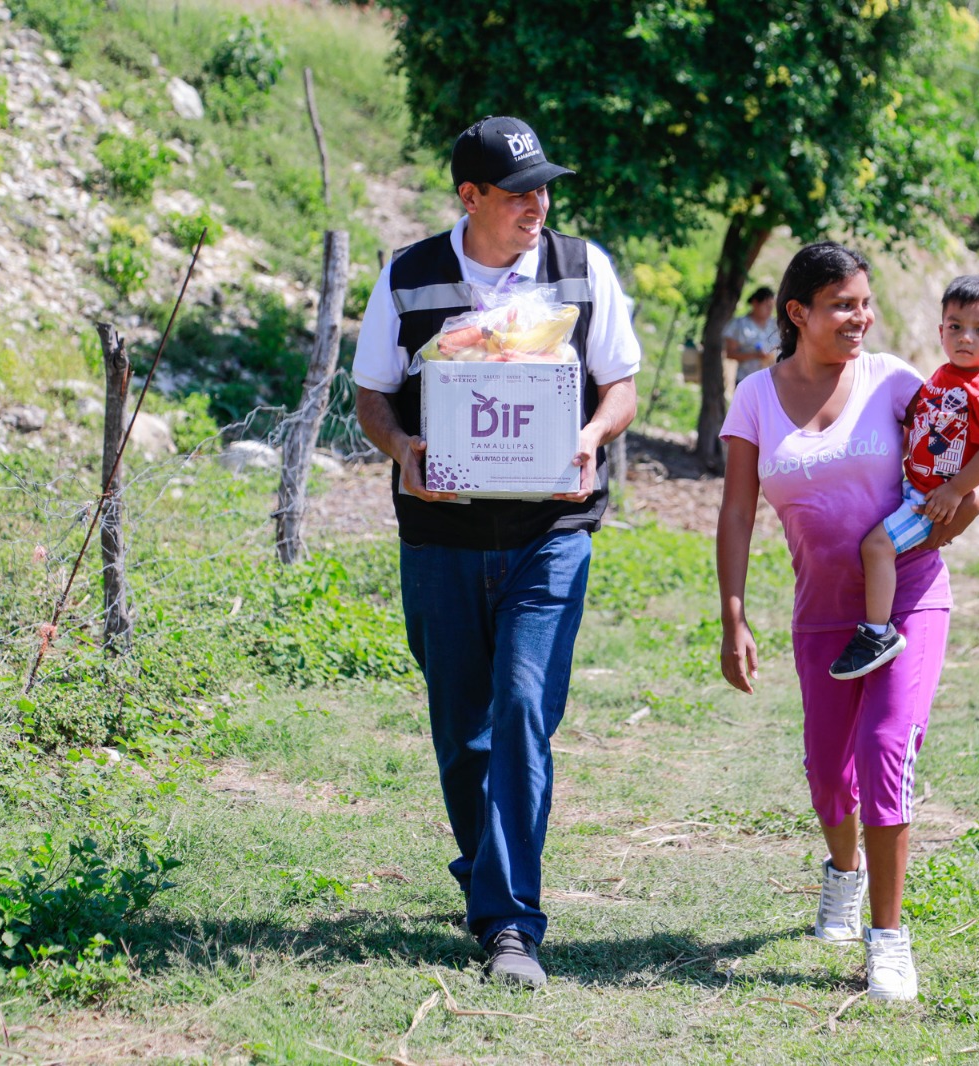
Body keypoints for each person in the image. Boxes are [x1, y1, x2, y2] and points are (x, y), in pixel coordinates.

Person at [352, 115, 641, 988]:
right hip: (440, 537)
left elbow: (621, 385)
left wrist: (590, 435)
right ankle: (488, 876)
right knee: (461, 729)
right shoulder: (409, 276)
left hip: (548, 536)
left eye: (545, 189)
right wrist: (405, 452)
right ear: (470, 197)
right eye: (519, 194)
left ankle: (511, 925)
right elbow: (372, 394)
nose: (538, 206)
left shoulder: (580, 269)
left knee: (521, 710)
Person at [716, 243, 979, 1002]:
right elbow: (738, 510)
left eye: (865, 303)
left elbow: (973, 454)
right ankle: (844, 871)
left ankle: (889, 940)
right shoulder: (756, 397)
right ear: (798, 313)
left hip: (908, 597)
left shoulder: (896, 381)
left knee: (883, 752)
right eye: (844, 304)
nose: (861, 318)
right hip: (822, 613)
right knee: (826, 779)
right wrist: (733, 614)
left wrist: (951, 519)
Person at [829, 275, 979, 680]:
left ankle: (877, 633)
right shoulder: (946, 374)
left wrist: (955, 491)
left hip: (931, 500)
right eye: (955, 326)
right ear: (941, 331)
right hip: (916, 485)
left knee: (876, 547)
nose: (966, 338)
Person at [724, 286, 780, 386]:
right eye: (766, 306)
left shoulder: (777, 325)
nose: (770, 310)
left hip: (773, 381)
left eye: (771, 306)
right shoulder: (739, 324)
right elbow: (730, 354)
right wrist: (755, 355)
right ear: (755, 303)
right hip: (747, 380)